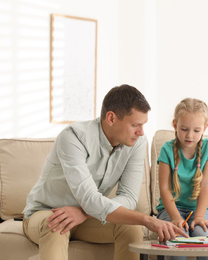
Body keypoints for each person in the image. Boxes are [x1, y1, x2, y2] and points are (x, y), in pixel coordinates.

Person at [23, 84, 188, 260]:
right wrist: (148, 220)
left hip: (87, 218)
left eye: (143, 125)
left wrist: (85, 212)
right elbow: (89, 198)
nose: (141, 132)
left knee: (130, 226)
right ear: (111, 118)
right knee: (55, 225)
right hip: (46, 212)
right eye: (135, 125)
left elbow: (130, 198)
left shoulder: (137, 143)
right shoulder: (73, 137)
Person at [156, 98, 208, 260]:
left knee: (203, 242)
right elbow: (164, 188)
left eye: (196, 131)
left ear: (205, 128)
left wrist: (199, 217)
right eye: (184, 129)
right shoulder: (167, 149)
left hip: (200, 210)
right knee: (179, 243)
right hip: (170, 210)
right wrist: (176, 217)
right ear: (175, 125)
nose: (190, 135)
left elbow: (206, 183)